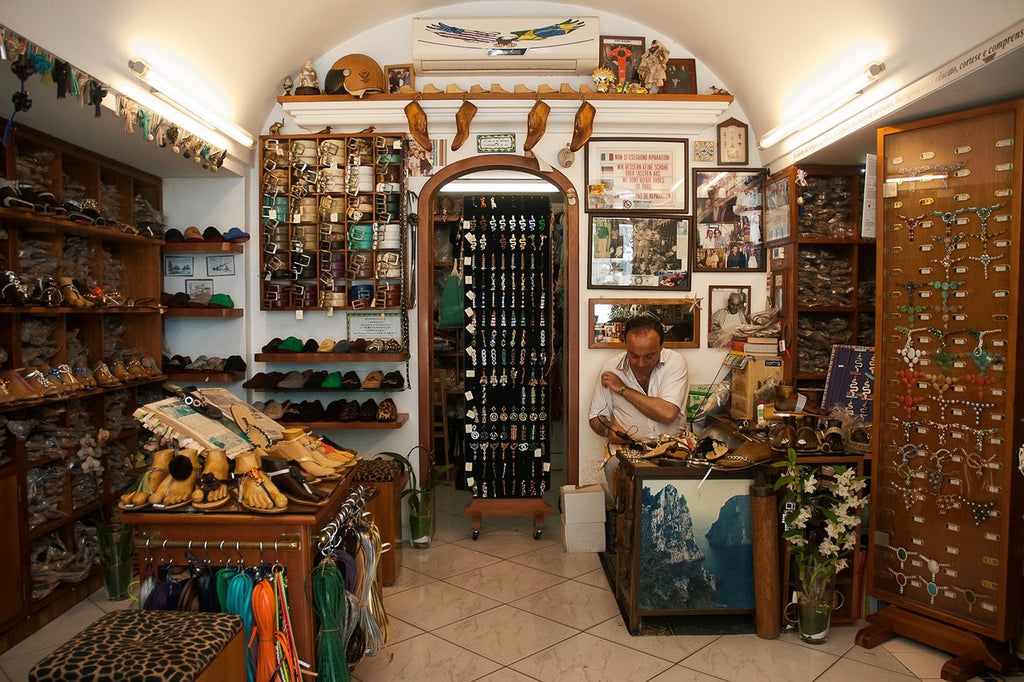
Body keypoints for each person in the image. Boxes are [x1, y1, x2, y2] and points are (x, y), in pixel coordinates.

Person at [588, 315, 689, 444]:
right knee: (613, 464)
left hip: (673, 446)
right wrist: (609, 429)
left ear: (661, 346)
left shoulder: (675, 362)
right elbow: (596, 417)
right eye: (634, 356)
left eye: (649, 356)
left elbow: (667, 414)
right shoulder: (611, 369)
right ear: (626, 345)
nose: (641, 363)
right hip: (629, 447)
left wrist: (622, 389)